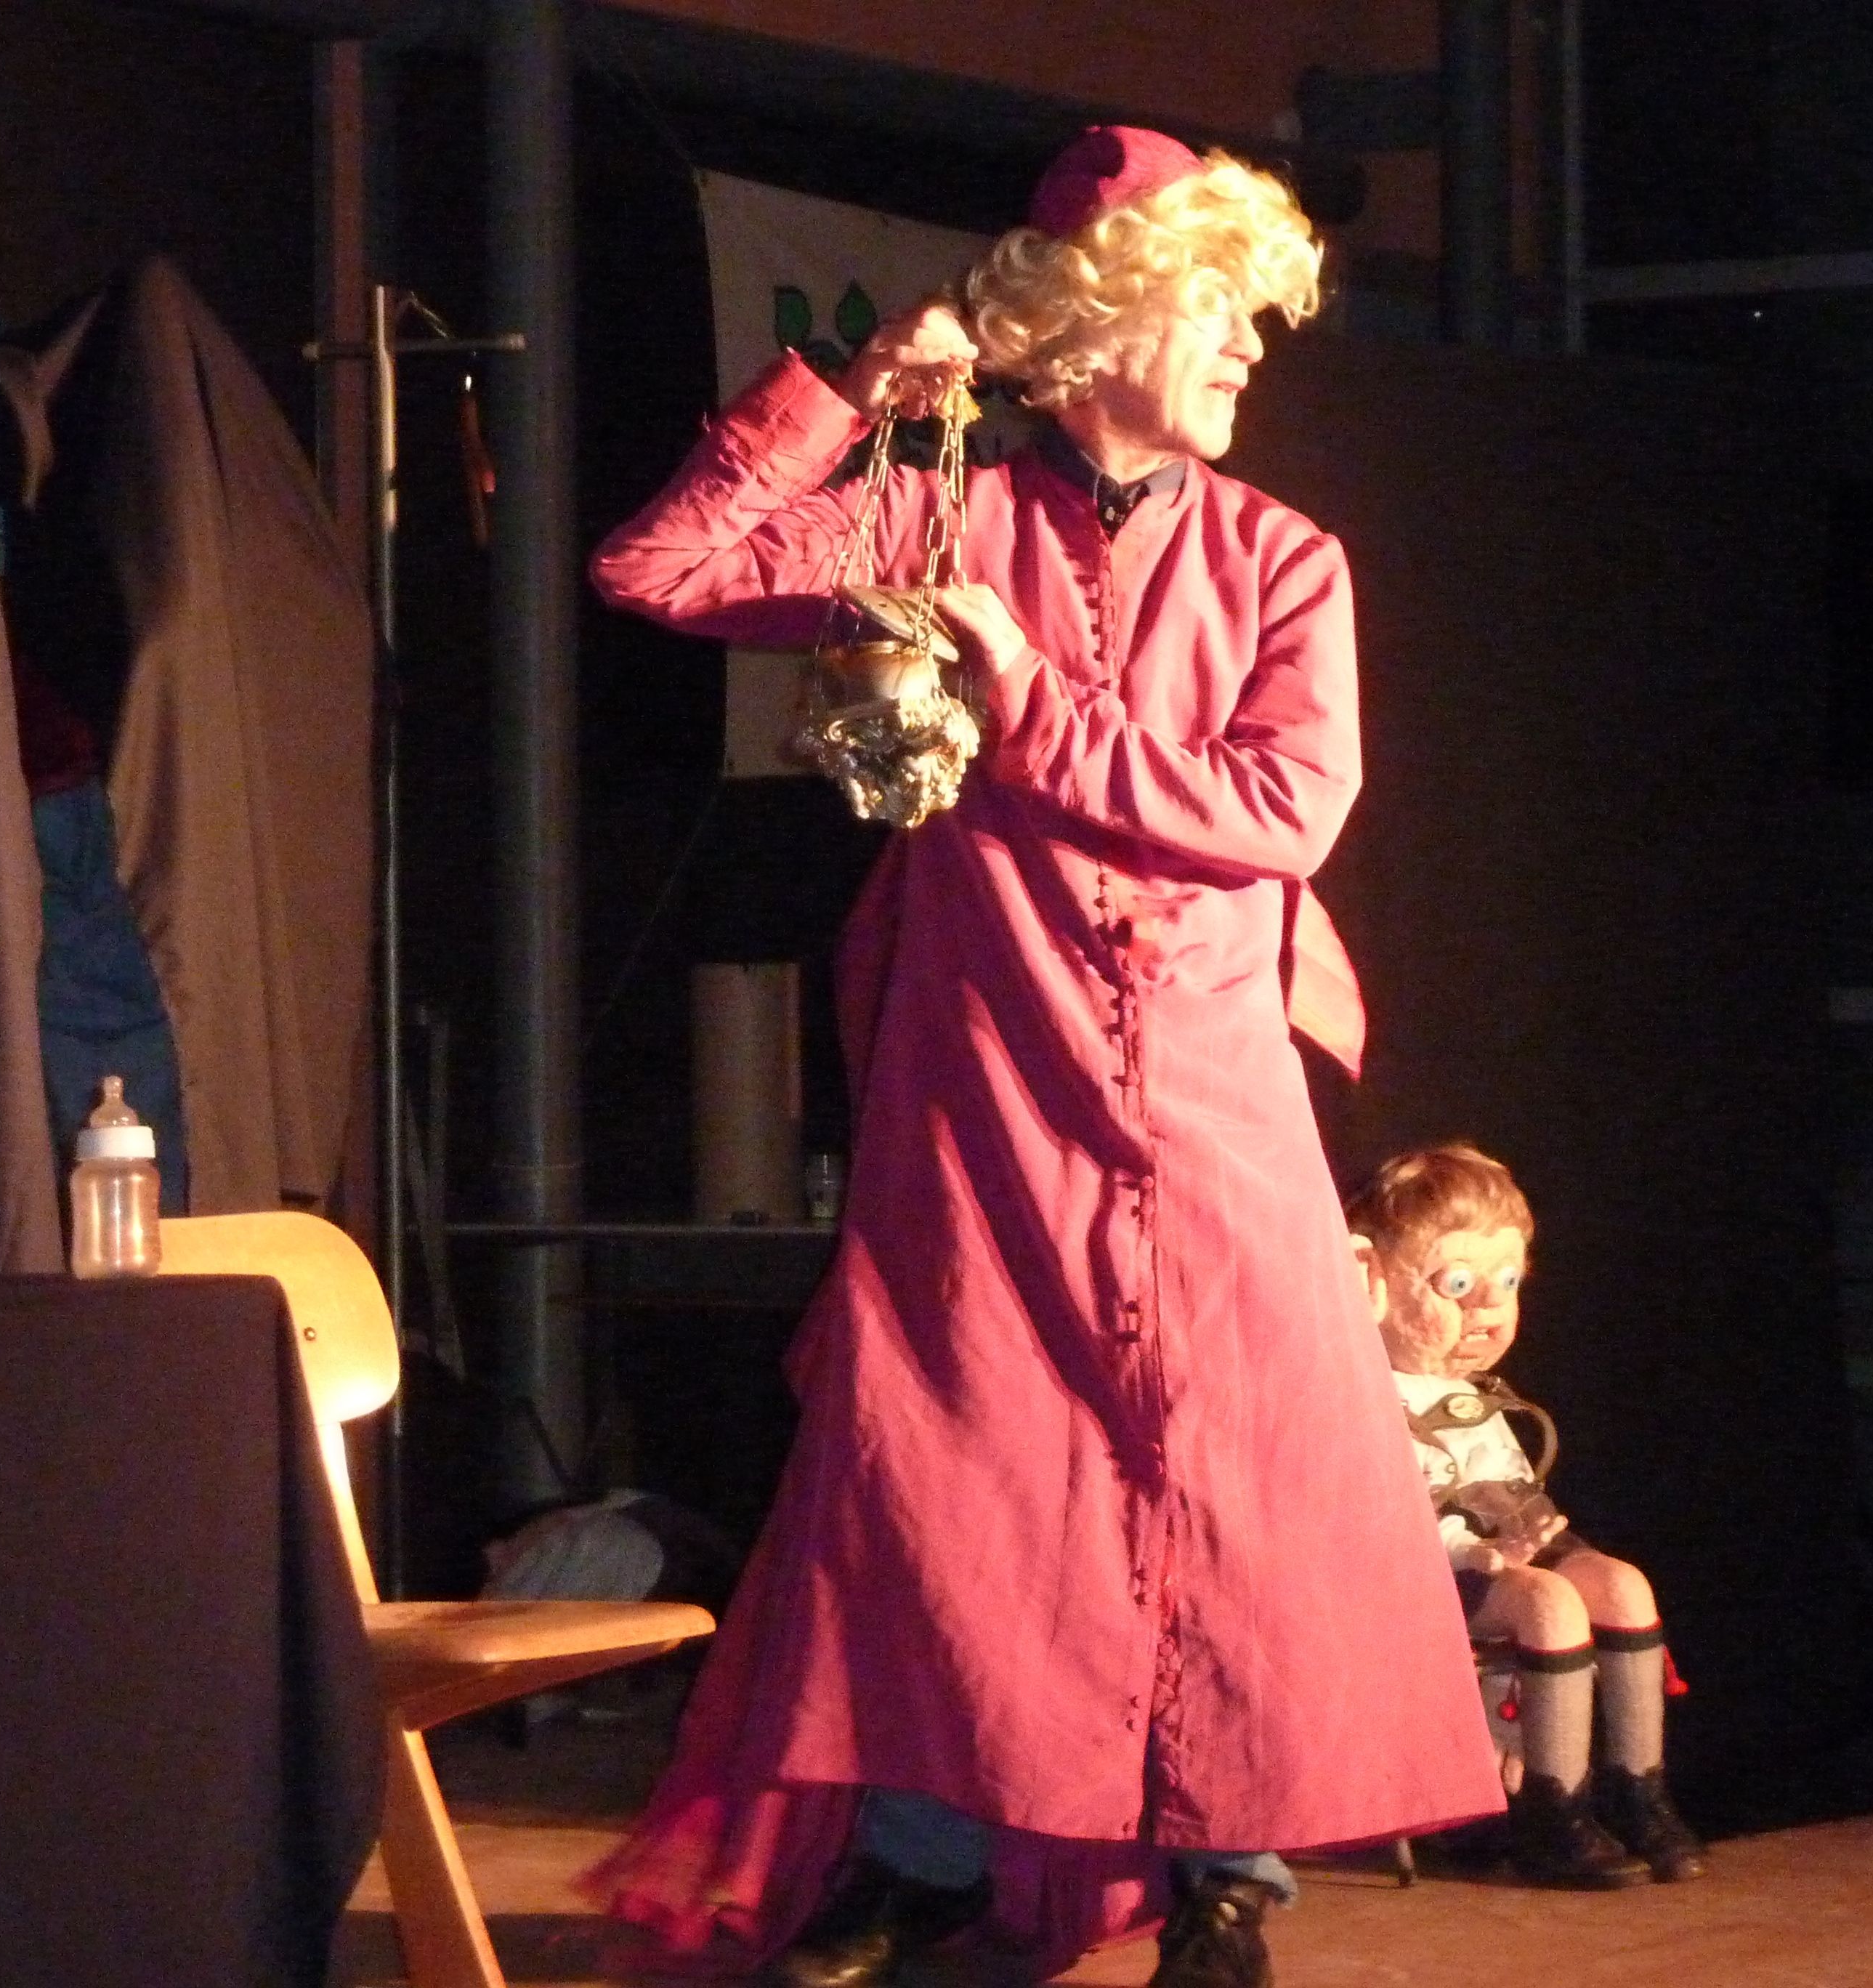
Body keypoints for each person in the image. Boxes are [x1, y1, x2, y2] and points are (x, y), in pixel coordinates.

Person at [580, 127, 1500, 1986]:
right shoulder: (944, 513)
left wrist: (1029, 700)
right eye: (1217, 308)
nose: (1245, 349)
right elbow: (657, 567)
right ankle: (925, 1857)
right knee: (961, 1476)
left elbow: (1282, 812)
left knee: (1233, 1478)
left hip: (1214, 1092)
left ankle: (1227, 1877)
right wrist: (854, 390)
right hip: (988, 1084)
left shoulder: (1282, 558)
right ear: (1103, 319)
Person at [1347, 1143, 1707, 1888]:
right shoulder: (1362, 1394)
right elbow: (1381, 1515)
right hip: (1420, 1568)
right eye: (1457, 1283)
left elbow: (1509, 1488)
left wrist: (1529, 1534)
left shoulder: (1477, 1396)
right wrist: (1487, 1555)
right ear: (1374, 1281)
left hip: (1498, 1550)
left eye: (1505, 1282)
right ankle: (1553, 1807)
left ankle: (1635, 1788)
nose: (1487, 1306)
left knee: (1623, 1586)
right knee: (1547, 1603)